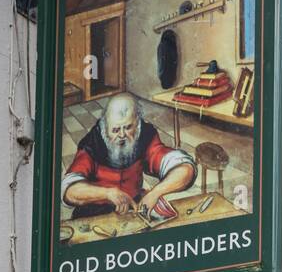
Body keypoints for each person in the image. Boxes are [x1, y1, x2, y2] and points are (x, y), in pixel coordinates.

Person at [61, 93, 196, 219]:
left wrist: (155, 193)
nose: (121, 135)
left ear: (137, 123)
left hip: (134, 208)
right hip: (93, 212)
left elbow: (185, 169)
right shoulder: (91, 143)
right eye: (115, 129)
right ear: (105, 126)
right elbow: (69, 191)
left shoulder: (145, 136)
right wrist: (107, 193)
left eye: (127, 127)